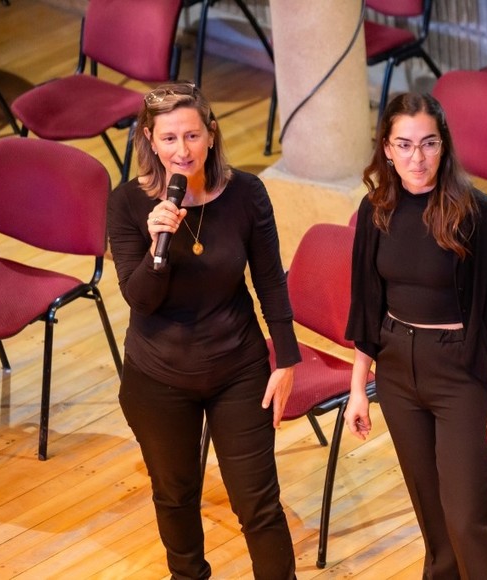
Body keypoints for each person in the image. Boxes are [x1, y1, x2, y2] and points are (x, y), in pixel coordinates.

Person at [106, 81, 300, 580]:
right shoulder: (128, 205)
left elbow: (270, 281)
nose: (182, 150)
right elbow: (141, 298)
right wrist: (157, 245)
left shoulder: (245, 194)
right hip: (159, 375)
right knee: (174, 493)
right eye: (169, 138)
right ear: (149, 140)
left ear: (211, 136)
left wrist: (287, 359)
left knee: (258, 502)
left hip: (238, 366)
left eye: (192, 136)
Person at [344, 92, 487, 579]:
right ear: (386, 148)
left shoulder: (476, 212)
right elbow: (366, 306)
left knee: (468, 521)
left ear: (444, 145)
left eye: (428, 144)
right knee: (433, 521)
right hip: (398, 369)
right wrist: (357, 391)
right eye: (404, 145)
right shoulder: (376, 210)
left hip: (461, 372)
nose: (417, 158)